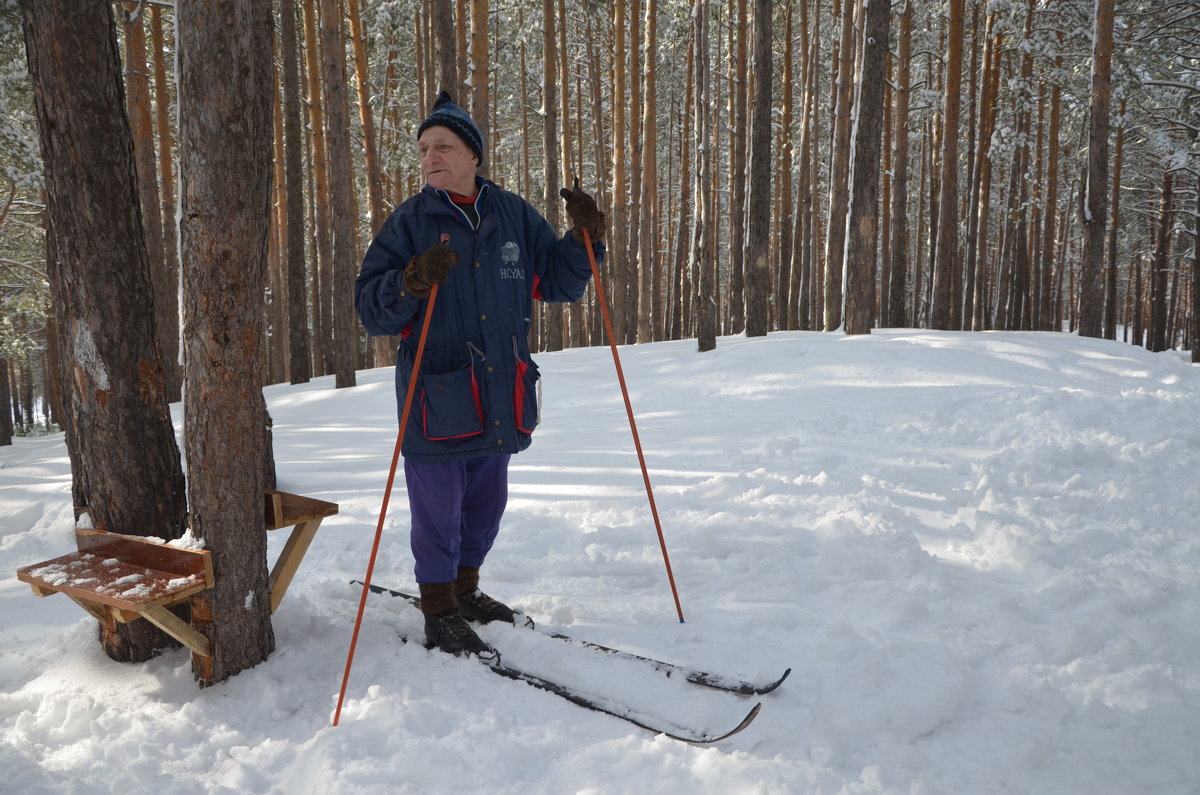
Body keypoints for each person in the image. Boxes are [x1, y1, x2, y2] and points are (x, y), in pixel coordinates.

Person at [355, 91, 606, 660]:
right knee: (438, 511)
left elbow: (559, 283)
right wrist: (410, 281)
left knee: (486, 506)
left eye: (442, 145)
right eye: (422, 149)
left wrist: (585, 240)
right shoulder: (410, 223)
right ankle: (439, 608)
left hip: (501, 390)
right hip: (435, 395)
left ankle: (465, 591)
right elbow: (371, 308)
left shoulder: (513, 213)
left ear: (473, 155)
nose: (429, 156)